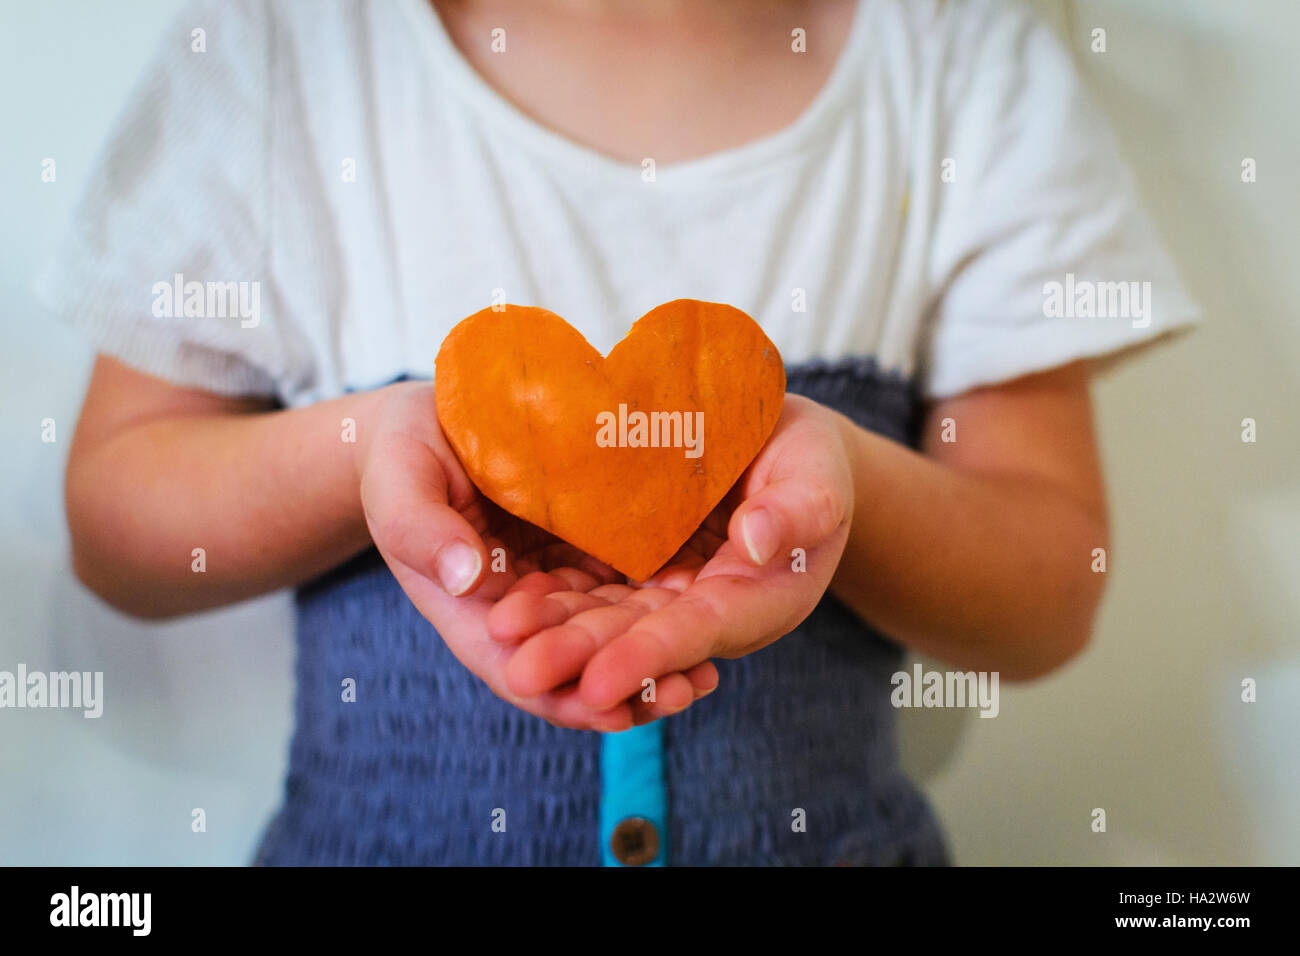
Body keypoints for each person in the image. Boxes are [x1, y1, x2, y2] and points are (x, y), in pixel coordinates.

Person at [37, 0, 1199, 865]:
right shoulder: (287, 52)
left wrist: (837, 473)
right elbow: (117, 520)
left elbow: (1051, 590)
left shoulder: (957, 59)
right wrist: (375, 444)